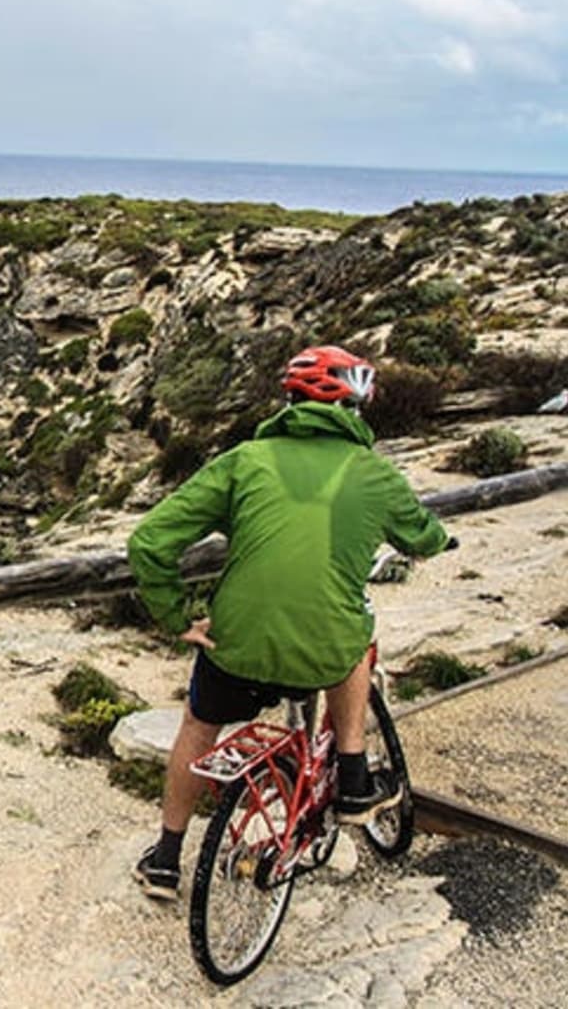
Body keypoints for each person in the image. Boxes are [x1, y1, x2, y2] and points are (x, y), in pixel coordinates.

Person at [126, 345, 450, 901]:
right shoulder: (375, 473)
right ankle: (352, 778)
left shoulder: (245, 460)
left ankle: (165, 857)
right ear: (355, 405)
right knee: (353, 639)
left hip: (234, 643)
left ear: (290, 400)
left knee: (199, 730)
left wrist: (175, 615)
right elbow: (424, 536)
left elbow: (150, 540)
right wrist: (442, 537)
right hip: (320, 651)